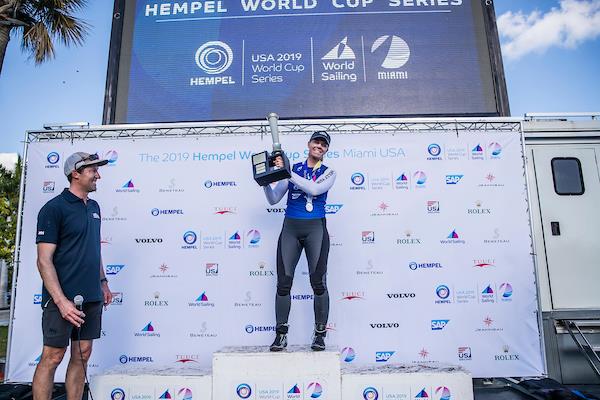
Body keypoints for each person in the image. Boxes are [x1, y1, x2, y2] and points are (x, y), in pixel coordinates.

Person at [32, 152, 112, 400]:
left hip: (91, 293)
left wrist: (103, 282)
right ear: (75, 174)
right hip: (61, 298)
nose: (98, 175)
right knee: (53, 355)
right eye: (92, 171)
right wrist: (61, 301)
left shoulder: (95, 207)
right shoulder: (53, 209)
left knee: (83, 352)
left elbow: (93, 249)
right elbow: (43, 260)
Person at [263, 131, 337, 351]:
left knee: (318, 282)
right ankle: (281, 335)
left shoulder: (329, 172)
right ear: (309, 144)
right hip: (291, 228)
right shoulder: (293, 169)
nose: (319, 146)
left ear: (326, 150)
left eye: (324, 144)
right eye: (317, 142)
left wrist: (286, 172)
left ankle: (320, 335)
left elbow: (314, 189)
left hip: (316, 228)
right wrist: (266, 181)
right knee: (284, 283)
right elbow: (273, 199)